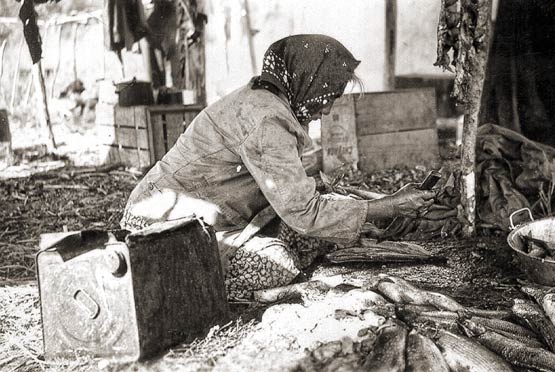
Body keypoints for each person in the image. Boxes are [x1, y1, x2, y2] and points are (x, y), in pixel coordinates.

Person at [120, 34, 435, 299]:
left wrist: (377, 207)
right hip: (161, 230)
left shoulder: (271, 103)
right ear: (306, 81)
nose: (326, 109)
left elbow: (297, 195)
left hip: (207, 217)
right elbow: (304, 212)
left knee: (316, 235)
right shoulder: (267, 119)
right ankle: (181, 281)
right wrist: (389, 206)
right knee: (275, 264)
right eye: (326, 96)